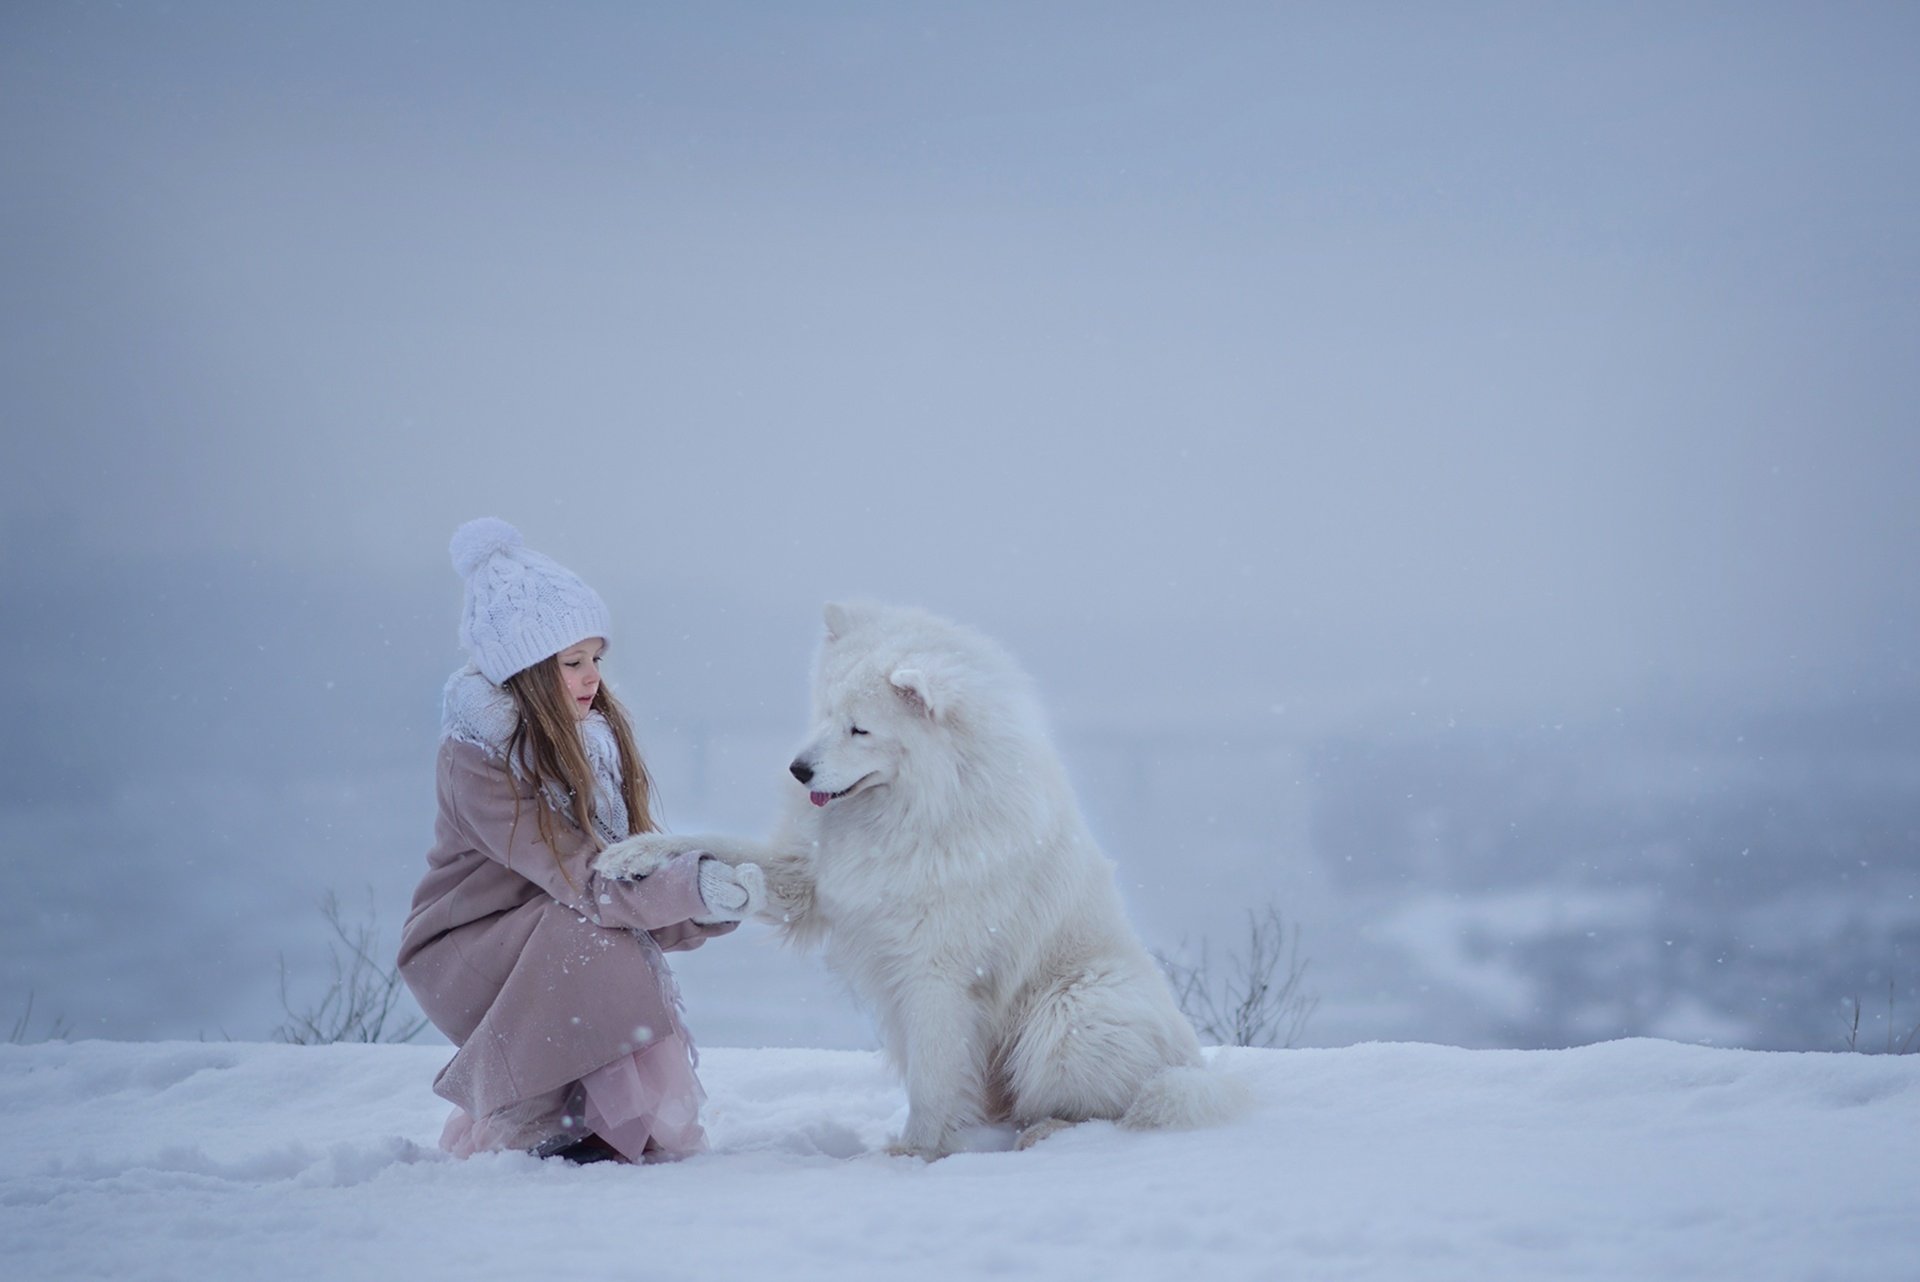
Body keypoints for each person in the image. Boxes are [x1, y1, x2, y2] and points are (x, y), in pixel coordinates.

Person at [397, 518, 763, 1164]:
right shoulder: (477, 758)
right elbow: (592, 879)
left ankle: (591, 1124)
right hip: (465, 948)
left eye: (597, 657)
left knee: (593, 924)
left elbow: (634, 877)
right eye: (572, 662)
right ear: (528, 669)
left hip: (542, 924)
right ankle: (542, 1126)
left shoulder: (590, 741)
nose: (592, 676)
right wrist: (689, 884)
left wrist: (714, 896)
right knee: (587, 925)